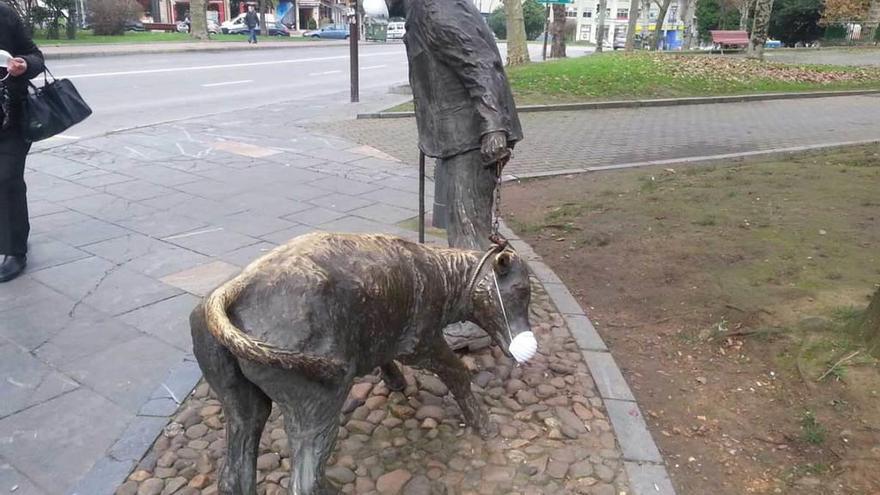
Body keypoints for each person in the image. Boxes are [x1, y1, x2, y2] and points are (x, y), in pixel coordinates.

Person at [386, 0, 523, 251]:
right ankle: (491, 283)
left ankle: (490, 288)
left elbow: (479, 62)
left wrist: (493, 126)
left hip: (472, 138)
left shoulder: (434, 7)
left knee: (469, 238)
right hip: (461, 136)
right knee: (469, 229)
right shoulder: (422, 9)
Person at [0, 2, 44, 283]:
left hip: (10, 118)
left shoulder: (3, 14)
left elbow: (36, 57)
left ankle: (16, 250)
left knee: (7, 179)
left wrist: (24, 65)